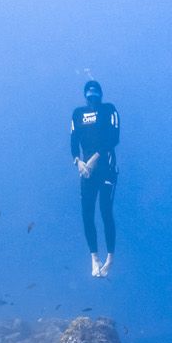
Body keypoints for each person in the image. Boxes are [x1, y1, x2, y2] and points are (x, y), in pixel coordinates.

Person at [70, 79, 120, 276]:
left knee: (105, 211)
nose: (92, 94)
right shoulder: (77, 114)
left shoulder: (109, 109)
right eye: (89, 91)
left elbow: (114, 137)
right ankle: (94, 257)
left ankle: (110, 257)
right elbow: (73, 142)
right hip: (87, 172)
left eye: (96, 91)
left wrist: (95, 158)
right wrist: (78, 162)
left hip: (106, 168)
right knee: (87, 213)